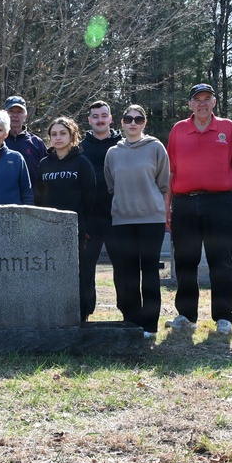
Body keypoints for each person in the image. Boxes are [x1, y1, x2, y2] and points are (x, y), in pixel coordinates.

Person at [165, 83, 232, 336]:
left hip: (219, 202)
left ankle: (223, 317)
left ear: (214, 102)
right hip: (185, 202)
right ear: (190, 104)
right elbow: (171, 171)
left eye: (207, 98)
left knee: (220, 261)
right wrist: (166, 205)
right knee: (185, 261)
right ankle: (186, 315)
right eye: (197, 99)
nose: (202, 103)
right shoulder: (179, 130)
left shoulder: (227, 127)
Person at [104, 105, 170, 338]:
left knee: (149, 272)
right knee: (129, 274)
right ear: (121, 122)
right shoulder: (113, 153)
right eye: (128, 118)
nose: (133, 122)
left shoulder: (155, 147)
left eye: (138, 119)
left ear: (144, 123)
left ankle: (150, 326)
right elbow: (111, 185)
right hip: (122, 220)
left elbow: (163, 183)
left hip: (151, 219)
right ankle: (132, 323)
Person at [36, 116, 96, 320]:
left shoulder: (82, 163)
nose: (58, 137)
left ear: (72, 136)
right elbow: (39, 198)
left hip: (75, 228)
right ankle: (54, 313)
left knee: (77, 273)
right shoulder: (44, 164)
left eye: (63, 133)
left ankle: (80, 315)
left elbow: (90, 198)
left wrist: (86, 227)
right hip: (49, 229)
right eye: (54, 134)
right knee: (51, 271)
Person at [80, 99, 122, 320]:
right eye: (95, 116)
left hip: (118, 217)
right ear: (89, 120)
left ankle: (128, 312)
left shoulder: (123, 144)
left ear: (110, 118)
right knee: (85, 269)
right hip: (90, 218)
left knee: (123, 268)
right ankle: (84, 313)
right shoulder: (80, 147)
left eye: (104, 115)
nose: (100, 120)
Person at [3, 95, 48, 189]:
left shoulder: (36, 143)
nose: (15, 115)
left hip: (31, 201)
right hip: (3, 200)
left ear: (25, 115)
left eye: (19, 112)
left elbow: (47, 174)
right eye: (11, 111)